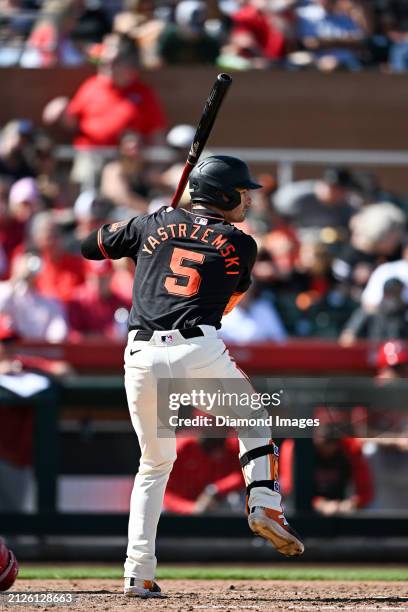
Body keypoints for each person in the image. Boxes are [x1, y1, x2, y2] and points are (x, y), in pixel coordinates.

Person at [81, 155, 304, 598]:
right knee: (255, 420)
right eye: (240, 192)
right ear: (220, 195)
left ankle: (137, 572)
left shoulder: (152, 223)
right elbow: (227, 305)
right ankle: (264, 504)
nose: (246, 199)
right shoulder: (242, 244)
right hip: (196, 348)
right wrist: (168, 227)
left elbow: (90, 246)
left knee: (154, 465)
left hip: (141, 353)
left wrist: (150, 226)